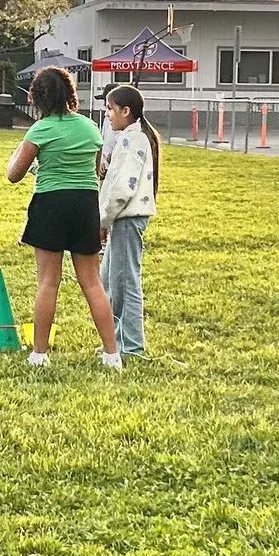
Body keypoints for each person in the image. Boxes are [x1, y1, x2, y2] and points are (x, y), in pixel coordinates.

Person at [6, 66, 120, 369]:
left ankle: (40, 354)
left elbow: (13, 175)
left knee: (48, 281)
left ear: (38, 98)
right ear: (71, 93)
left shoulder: (39, 130)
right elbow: (96, 171)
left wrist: (22, 152)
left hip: (50, 203)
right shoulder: (89, 128)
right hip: (85, 204)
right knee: (92, 282)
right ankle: (112, 354)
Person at [98, 84, 161, 357]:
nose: (107, 115)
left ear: (127, 111)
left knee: (125, 283)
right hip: (119, 219)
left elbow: (123, 187)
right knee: (108, 280)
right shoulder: (128, 138)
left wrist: (103, 218)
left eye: (111, 109)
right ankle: (114, 342)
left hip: (127, 218)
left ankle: (131, 346)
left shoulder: (133, 140)